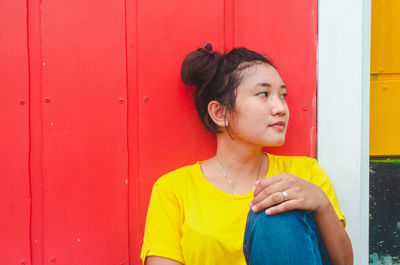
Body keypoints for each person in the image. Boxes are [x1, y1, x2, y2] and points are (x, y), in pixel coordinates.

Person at [140, 44, 353, 265]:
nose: (281, 107)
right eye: (263, 94)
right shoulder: (174, 189)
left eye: (283, 95)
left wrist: (321, 203)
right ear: (220, 112)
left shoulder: (304, 174)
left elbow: (344, 263)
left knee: (277, 214)